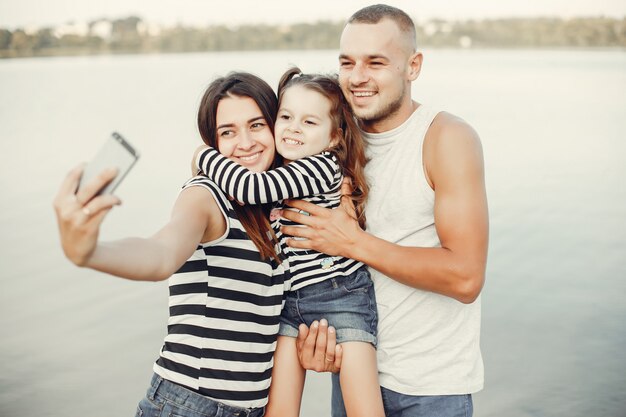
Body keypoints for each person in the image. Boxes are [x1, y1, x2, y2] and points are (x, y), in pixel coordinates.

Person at [280, 4, 489, 417]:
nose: (357, 78)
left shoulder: (445, 138)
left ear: (413, 66)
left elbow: (466, 277)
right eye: (347, 62)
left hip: (430, 390)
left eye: (376, 62)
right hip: (354, 374)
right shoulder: (326, 138)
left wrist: (354, 242)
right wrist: (313, 334)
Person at [53, 72, 292, 417]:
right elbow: (161, 254)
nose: (245, 142)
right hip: (188, 405)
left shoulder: (274, 211)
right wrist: (90, 252)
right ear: (213, 143)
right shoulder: (205, 196)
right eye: (228, 132)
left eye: (256, 125)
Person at [193, 67, 385, 417]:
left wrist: (204, 156)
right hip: (289, 301)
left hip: (342, 295)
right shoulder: (283, 171)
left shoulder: (320, 167)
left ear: (334, 138)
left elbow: (248, 190)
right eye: (285, 117)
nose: (294, 128)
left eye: (310, 123)